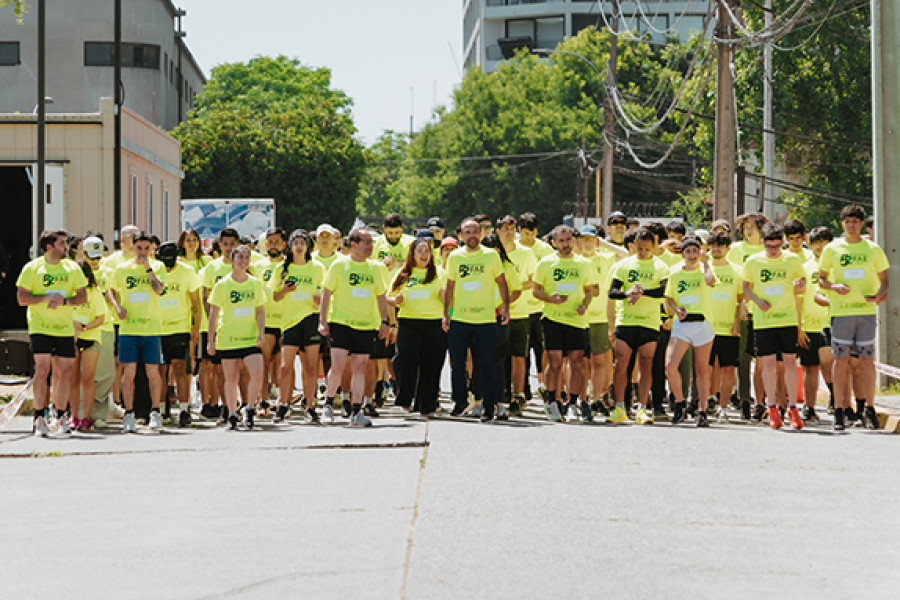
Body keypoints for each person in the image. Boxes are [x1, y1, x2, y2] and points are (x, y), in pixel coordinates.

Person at [818, 204, 889, 431]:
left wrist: (879, 295)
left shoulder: (872, 248)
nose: (851, 225)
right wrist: (834, 286)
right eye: (847, 221)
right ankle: (839, 409)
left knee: (867, 362)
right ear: (842, 224)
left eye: (856, 221)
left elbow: (885, 280)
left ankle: (869, 409)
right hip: (841, 313)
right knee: (841, 362)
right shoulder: (832, 249)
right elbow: (821, 279)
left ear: (861, 225)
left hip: (866, 313)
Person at [16, 230, 88, 436]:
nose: (66, 246)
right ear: (49, 246)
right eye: (62, 243)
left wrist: (64, 301)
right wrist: (46, 298)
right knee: (42, 370)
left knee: (65, 373)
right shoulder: (32, 268)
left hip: (64, 327)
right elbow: (22, 298)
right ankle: (39, 417)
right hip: (40, 326)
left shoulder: (72, 268)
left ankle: (61, 415)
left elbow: (82, 297)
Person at [318, 227, 391, 427]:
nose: (370, 246)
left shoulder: (375, 268)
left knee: (360, 368)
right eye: (365, 242)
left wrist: (384, 322)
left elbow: (381, 296)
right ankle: (329, 404)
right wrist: (322, 321)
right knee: (339, 366)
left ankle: (357, 411)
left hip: (366, 325)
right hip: (341, 323)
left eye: (371, 242)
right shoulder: (339, 265)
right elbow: (326, 293)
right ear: (354, 244)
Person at [443, 218, 510, 421]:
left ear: (480, 233)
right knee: (458, 363)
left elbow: (501, 281)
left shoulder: (491, 256)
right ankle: (460, 401)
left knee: (487, 363)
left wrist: (505, 306)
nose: (471, 235)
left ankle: (489, 405)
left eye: (475, 231)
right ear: (461, 235)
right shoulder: (455, 257)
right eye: (467, 232)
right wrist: (447, 313)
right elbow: (450, 286)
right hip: (460, 318)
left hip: (486, 318)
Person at [741, 223, 807, 431]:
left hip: (787, 318)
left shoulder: (793, 259)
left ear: (783, 243)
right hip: (764, 320)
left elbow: (803, 281)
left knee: (789, 362)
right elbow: (745, 286)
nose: (773, 251)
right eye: (769, 246)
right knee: (767, 364)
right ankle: (772, 409)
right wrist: (757, 301)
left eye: (777, 246)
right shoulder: (753, 262)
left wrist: (800, 285)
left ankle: (792, 408)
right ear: (763, 243)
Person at [532, 225, 597, 422]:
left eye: (568, 240)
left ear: (573, 241)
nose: (565, 244)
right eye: (561, 241)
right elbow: (536, 290)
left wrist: (584, 305)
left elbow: (590, 290)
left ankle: (573, 404)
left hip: (577, 320)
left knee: (577, 363)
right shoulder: (545, 263)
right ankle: (552, 401)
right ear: (554, 243)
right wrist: (551, 299)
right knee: (555, 362)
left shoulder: (584, 264)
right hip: (553, 319)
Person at [607, 228, 668, 425]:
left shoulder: (661, 266)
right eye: (639, 248)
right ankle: (619, 407)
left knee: (646, 364)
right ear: (633, 245)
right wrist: (627, 293)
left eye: (647, 249)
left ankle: (642, 408)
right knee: (621, 365)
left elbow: (663, 291)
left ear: (654, 247)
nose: (642, 252)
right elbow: (612, 292)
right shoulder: (624, 265)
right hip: (626, 321)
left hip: (649, 322)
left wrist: (642, 292)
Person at [108, 232, 166, 432]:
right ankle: (129, 413)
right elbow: (111, 290)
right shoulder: (122, 268)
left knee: (152, 371)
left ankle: (155, 411)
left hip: (151, 328)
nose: (142, 252)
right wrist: (116, 307)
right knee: (129, 372)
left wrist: (148, 268)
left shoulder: (158, 267)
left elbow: (159, 290)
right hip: (128, 329)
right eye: (139, 248)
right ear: (132, 247)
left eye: (146, 248)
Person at [207, 245, 267, 430]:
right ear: (232, 260)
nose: (243, 261)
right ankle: (232, 414)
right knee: (231, 378)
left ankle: (249, 408)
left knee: (257, 373)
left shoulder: (255, 284)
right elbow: (213, 313)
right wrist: (211, 340)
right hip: (228, 338)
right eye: (239, 257)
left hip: (249, 337)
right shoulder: (223, 284)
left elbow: (260, 310)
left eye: (246, 257)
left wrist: (260, 332)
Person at [270, 229, 325, 423]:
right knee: (285, 367)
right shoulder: (282, 269)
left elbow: (324, 292)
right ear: (290, 247)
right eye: (296, 243)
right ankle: (283, 404)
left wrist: (320, 299)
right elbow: (275, 297)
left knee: (310, 367)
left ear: (308, 247)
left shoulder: (317, 268)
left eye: (303, 243)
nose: (299, 246)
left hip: (311, 319)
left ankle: (310, 406)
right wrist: (284, 289)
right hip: (289, 322)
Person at [388, 237, 446, 415]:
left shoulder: (440, 273)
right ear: (412, 254)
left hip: (434, 324)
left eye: (427, 251)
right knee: (405, 361)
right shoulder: (403, 273)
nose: (424, 254)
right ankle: (405, 398)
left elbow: (450, 298)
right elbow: (387, 297)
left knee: (431, 364)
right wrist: (395, 301)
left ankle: (426, 404)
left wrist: (445, 297)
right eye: (420, 251)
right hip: (408, 322)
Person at [664, 236, 717, 427]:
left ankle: (702, 411)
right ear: (683, 254)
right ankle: (680, 403)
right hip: (682, 323)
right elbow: (669, 298)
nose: (692, 255)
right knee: (670, 365)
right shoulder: (675, 273)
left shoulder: (704, 270)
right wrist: (676, 309)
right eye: (688, 251)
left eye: (695, 251)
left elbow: (711, 282)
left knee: (702, 370)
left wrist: (705, 263)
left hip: (702, 323)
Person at [156, 241, 201, 427]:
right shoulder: (153, 270)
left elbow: (196, 303)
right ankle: (161, 409)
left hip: (180, 327)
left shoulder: (187, 271)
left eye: (172, 259)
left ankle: (183, 409)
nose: (169, 264)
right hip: (157, 328)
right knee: (160, 370)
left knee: (180, 368)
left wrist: (195, 329)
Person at [198, 228, 242, 419]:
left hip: (238, 326)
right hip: (215, 326)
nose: (229, 248)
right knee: (213, 368)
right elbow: (206, 297)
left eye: (232, 244)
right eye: (225, 244)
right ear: (219, 245)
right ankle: (215, 404)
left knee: (234, 369)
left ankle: (233, 405)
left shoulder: (245, 266)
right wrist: (211, 323)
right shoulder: (211, 268)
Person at [496, 215, 537, 416]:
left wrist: (513, 288)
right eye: (505, 228)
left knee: (519, 356)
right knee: (497, 355)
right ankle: (498, 394)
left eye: (512, 228)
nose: (509, 232)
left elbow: (534, 280)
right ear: (497, 231)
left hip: (520, 311)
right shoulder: (492, 252)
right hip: (494, 312)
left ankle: (518, 394)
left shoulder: (526, 253)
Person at [707, 230, 744, 422]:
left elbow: (741, 300)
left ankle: (723, 406)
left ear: (728, 248)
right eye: (713, 245)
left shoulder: (737, 270)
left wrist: (737, 322)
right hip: (706, 328)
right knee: (706, 368)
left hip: (728, 328)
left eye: (720, 245)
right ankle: (707, 402)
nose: (716, 249)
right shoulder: (702, 268)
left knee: (728, 369)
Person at [798, 226, 834, 423]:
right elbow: (799, 298)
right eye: (816, 242)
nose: (820, 246)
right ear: (810, 244)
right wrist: (799, 326)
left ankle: (836, 398)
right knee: (809, 367)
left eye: (824, 242)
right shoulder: (804, 267)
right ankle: (809, 407)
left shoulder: (836, 266)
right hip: (808, 324)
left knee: (828, 361)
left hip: (829, 322)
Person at [579, 224, 616, 416]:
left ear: (596, 240)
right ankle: (582, 398)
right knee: (582, 361)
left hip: (601, 317)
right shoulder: (575, 261)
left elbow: (626, 254)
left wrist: (605, 244)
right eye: (583, 239)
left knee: (600, 360)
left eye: (590, 239)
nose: (587, 243)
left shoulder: (606, 258)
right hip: (580, 318)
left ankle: (597, 398)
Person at [70, 259, 106, 431]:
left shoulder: (94, 291)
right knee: (73, 379)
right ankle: (74, 416)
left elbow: (101, 318)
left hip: (90, 337)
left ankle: (86, 417)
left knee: (88, 378)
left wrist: (84, 328)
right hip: (72, 338)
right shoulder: (68, 293)